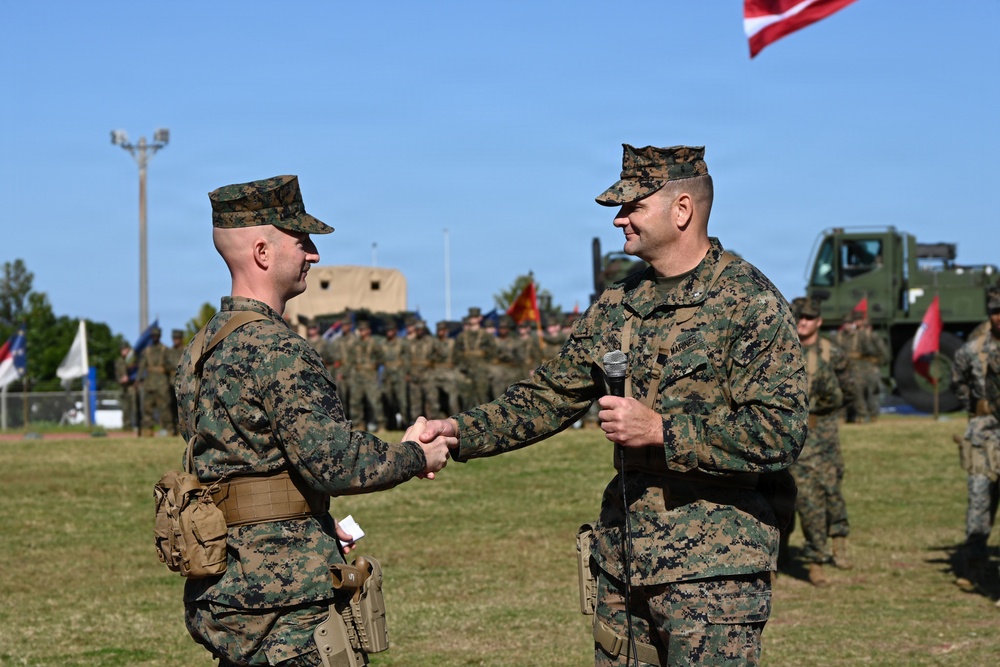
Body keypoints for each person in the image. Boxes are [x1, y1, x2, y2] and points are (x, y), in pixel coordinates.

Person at [421, 145, 807, 666]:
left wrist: (663, 431)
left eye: (633, 207)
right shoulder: (618, 303)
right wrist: (459, 431)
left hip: (714, 575)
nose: (619, 219)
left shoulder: (749, 303)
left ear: (682, 210)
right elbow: (549, 395)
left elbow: (780, 432)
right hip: (623, 559)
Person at [174, 174, 453, 667]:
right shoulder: (276, 349)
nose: (314, 254)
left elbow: (240, 470)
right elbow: (337, 463)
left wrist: (308, 513)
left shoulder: (201, 347)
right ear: (262, 252)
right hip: (286, 604)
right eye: (301, 241)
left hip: (226, 588)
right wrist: (416, 454)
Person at [787, 297, 856, 586]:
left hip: (821, 434)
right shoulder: (781, 346)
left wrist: (822, 416)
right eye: (798, 316)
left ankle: (834, 545)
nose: (802, 321)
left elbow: (846, 391)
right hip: (784, 433)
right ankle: (780, 553)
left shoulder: (831, 353)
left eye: (808, 317)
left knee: (828, 489)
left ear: (819, 321)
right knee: (783, 494)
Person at [949, 285, 1000, 592]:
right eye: (995, 311)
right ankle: (973, 566)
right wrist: (978, 410)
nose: (999, 317)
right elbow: (958, 383)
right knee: (979, 502)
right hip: (984, 436)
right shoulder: (972, 350)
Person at [138, 325, 174, 436]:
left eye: (156, 336)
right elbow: (141, 367)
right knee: (147, 408)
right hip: (149, 383)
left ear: (159, 336)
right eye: (153, 336)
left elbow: (171, 366)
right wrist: (138, 380)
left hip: (162, 383)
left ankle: (168, 430)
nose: (155, 337)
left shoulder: (165, 350)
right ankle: (148, 430)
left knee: (164, 408)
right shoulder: (147, 351)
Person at [115, 341, 137, 432]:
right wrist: (120, 380)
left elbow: (137, 371)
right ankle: (127, 427)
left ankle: (136, 425)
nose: (123, 351)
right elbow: (117, 374)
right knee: (125, 407)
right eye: (121, 349)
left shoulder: (133, 359)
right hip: (123, 387)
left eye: (124, 349)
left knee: (135, 407)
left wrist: (130, 378)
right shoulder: (119, 361)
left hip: (132, 386)